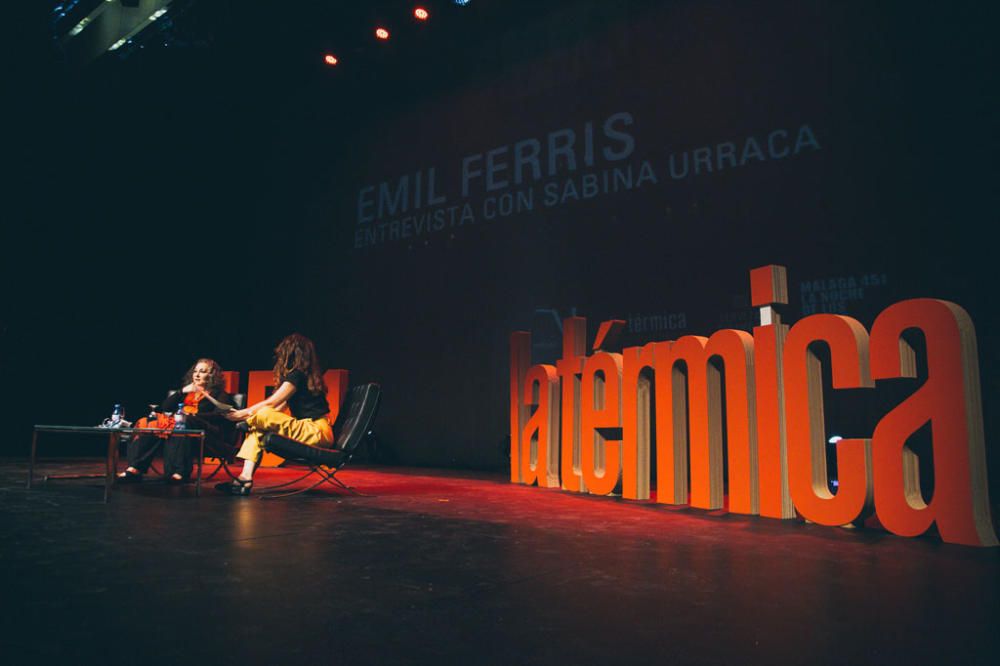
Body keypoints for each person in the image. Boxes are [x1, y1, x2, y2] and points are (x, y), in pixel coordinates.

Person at [216, 333, 333, 496]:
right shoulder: (302, 377)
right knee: (259, 428)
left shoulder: (297, 374)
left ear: (290, 352)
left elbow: (271, 403)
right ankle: (245, 478)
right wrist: (254, 420)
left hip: (316, 431)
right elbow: (278, 410)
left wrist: (242, 414)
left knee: (264, 412)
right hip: (311, 431)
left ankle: (249, 422)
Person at [117, 358, 235, 484]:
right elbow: (165, 407)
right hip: (178, 427)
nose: (197, 375)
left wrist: (194, 415)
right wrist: (182, 391)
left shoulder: (219, 395)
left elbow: (219, 416)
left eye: (202, 371)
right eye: (195, 371)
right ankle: (135, 468)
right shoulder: (186, 392)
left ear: (211, 375)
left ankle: (180, 472)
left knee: (183, 421)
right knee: (150, 422)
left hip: (206, 433)